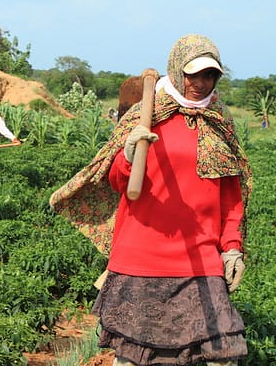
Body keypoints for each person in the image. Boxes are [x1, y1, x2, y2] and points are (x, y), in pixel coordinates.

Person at [49, 34, 252, 366]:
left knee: (221, 353)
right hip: (142, 257)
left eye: (209, 75)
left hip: (201, 259)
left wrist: (231, 247)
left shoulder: (219, 124)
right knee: (133, 357)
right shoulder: (147, 114)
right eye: (193, 74)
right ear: (175, 70)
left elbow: (230, 197)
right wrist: (128, 154)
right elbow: (117, 181)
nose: (200, 83)